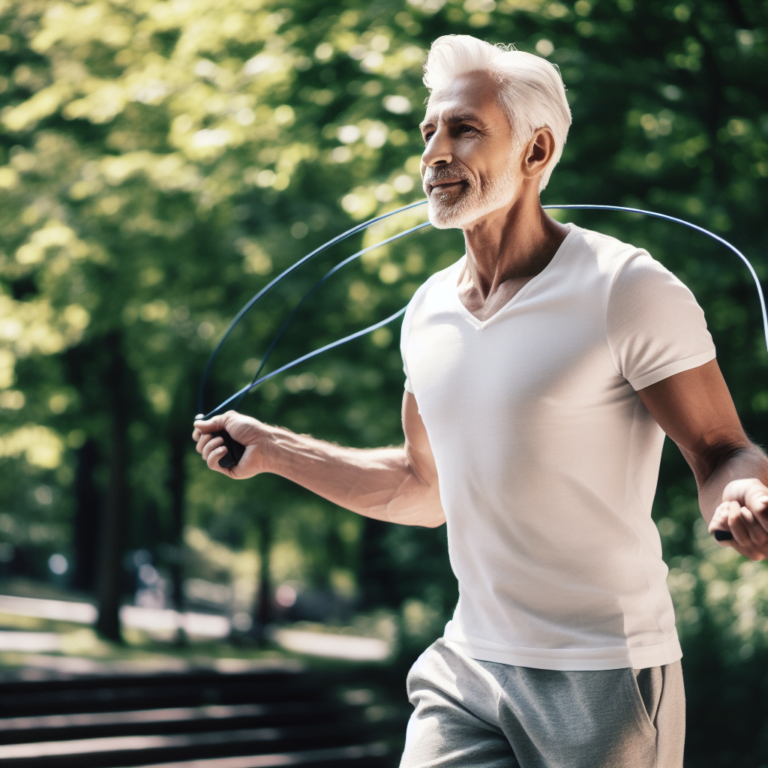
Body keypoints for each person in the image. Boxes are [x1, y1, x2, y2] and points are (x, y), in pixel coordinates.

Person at [192, 34, 768, 768]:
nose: (435, 152)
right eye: (428, 131)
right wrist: (276, 451)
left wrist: (743, 490)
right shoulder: (428, 309)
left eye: (464, 129)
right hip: (467, 664)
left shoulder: (627, 287)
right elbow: (422, 487)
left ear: (535, 152)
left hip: (603, 673)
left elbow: (720, 449)